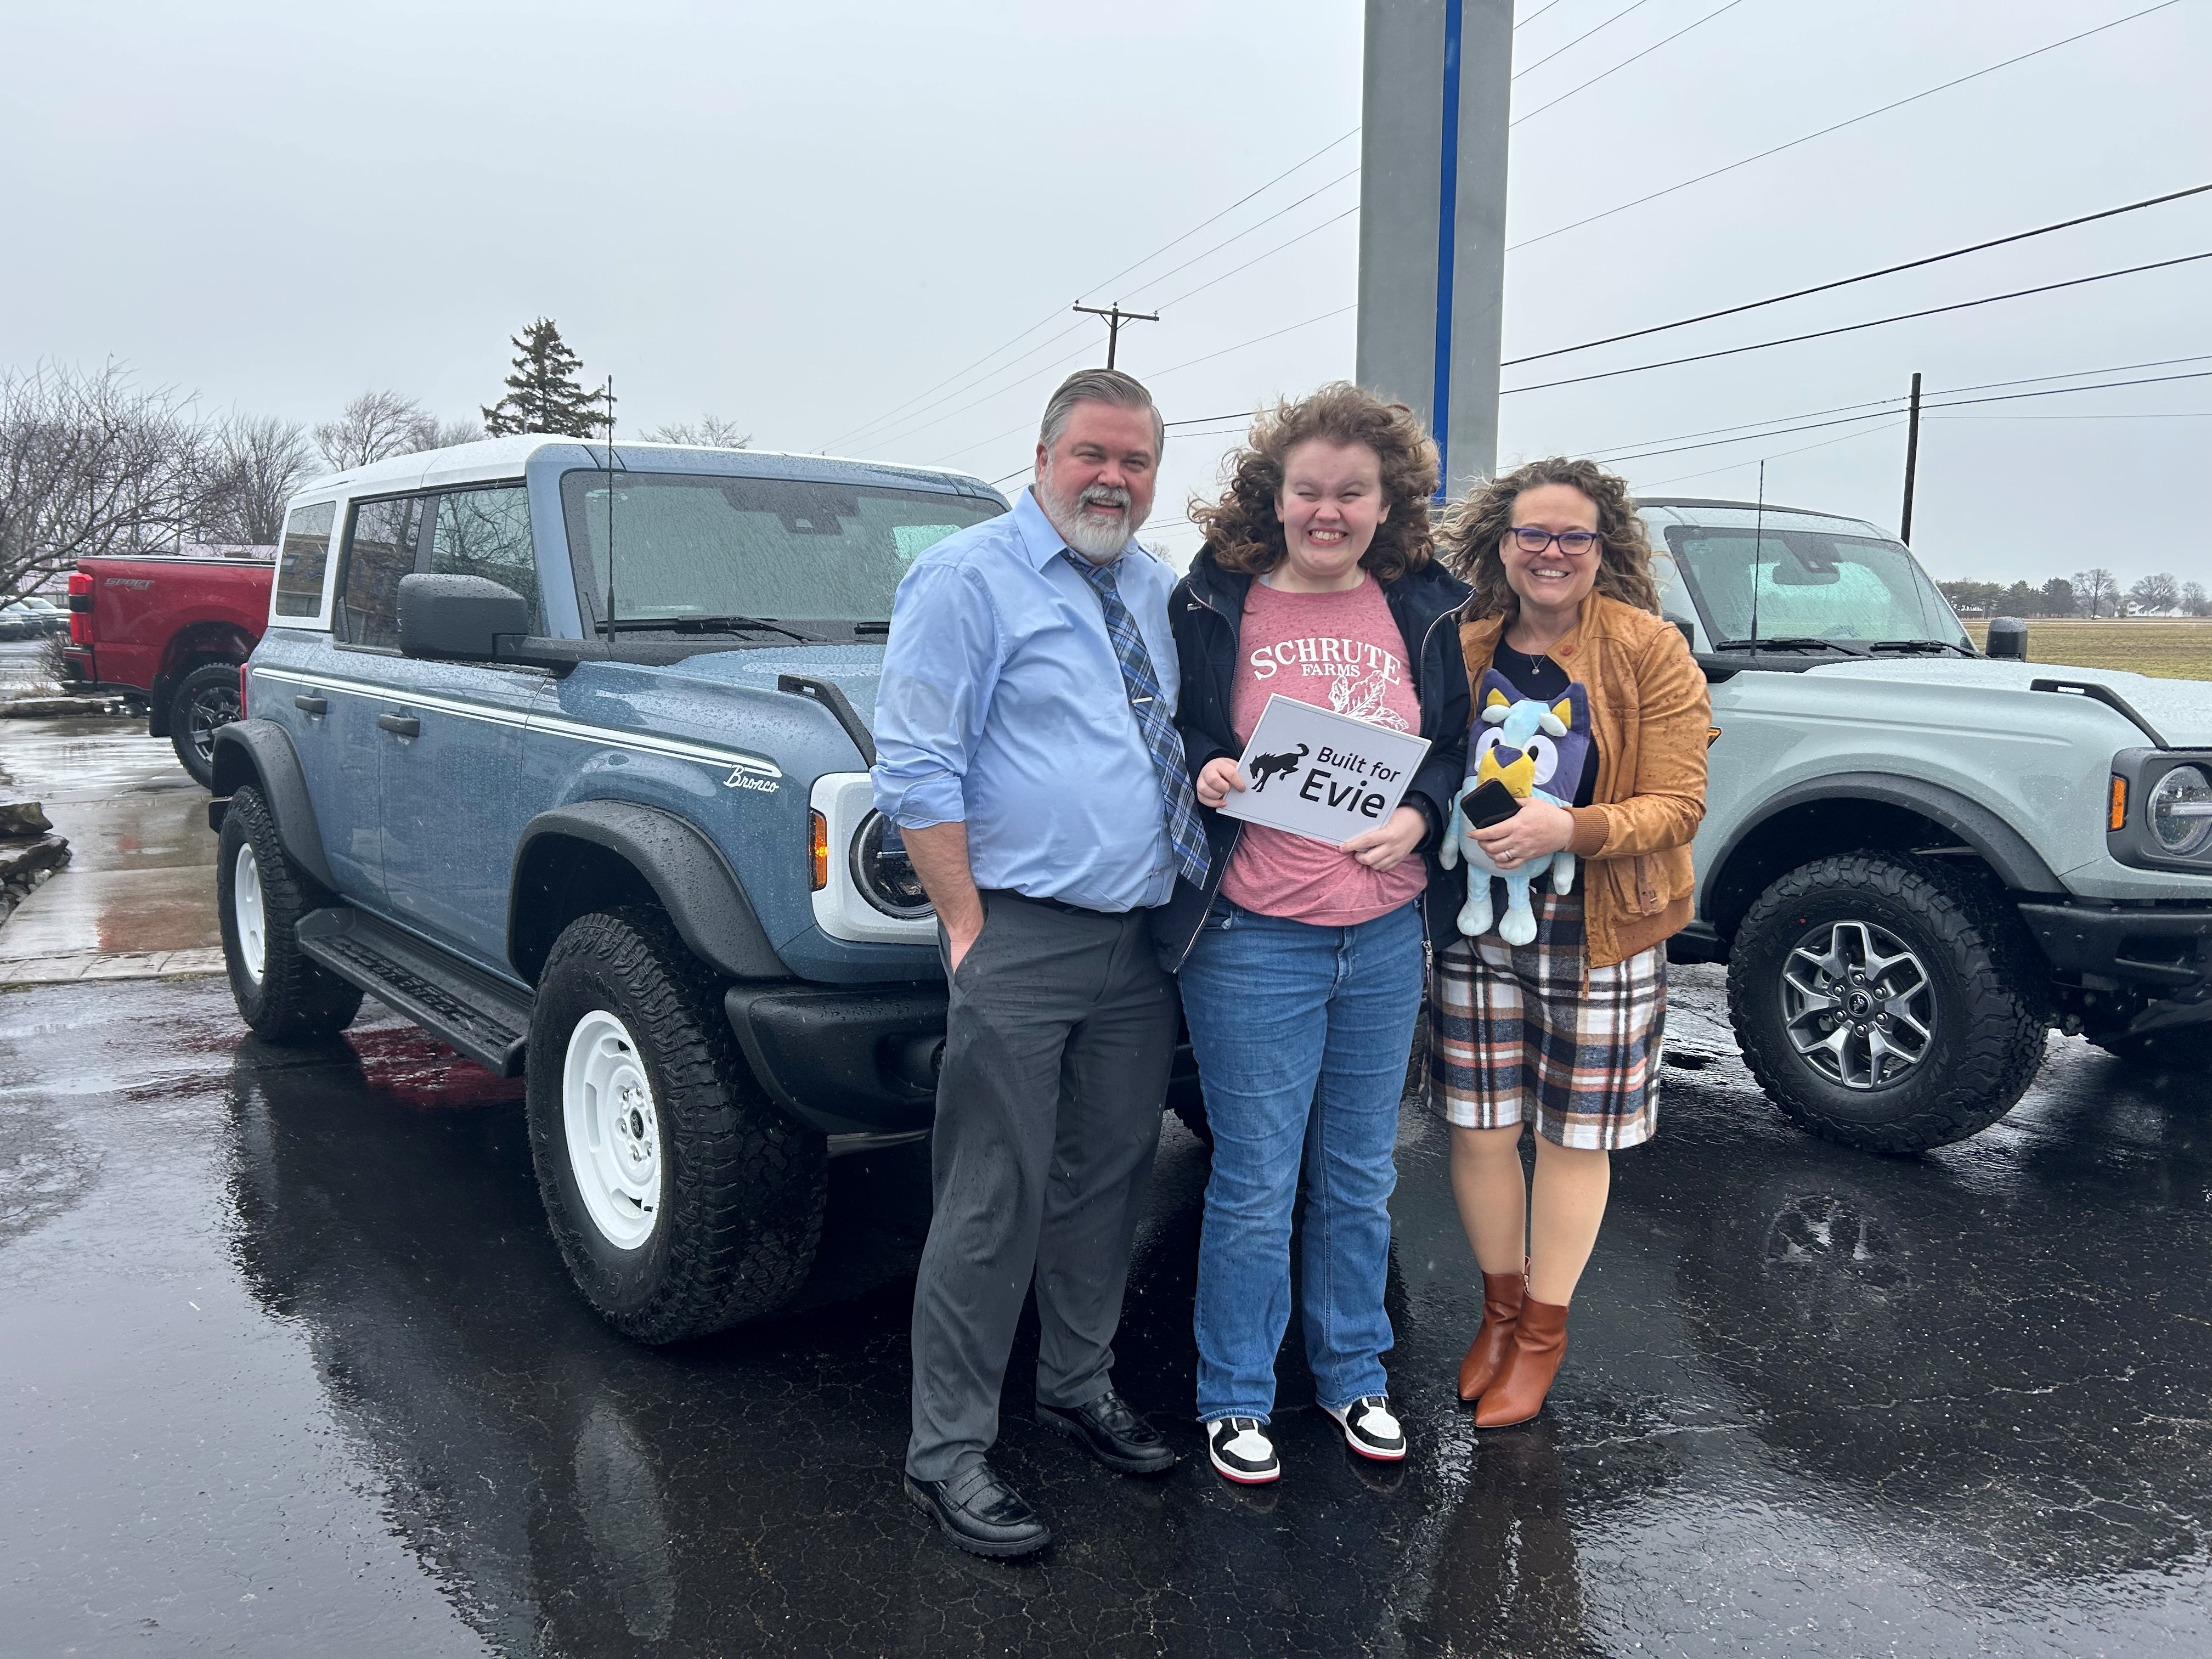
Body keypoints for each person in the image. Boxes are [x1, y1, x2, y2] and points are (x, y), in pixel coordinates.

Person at [872, 368, 1200, 1559]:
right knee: (991, 1196)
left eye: (1136, 462)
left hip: (1137, 942)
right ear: (1046, 454)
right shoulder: (968, 578)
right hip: (1017, 932)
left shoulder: (1157, 589)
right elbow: (918, 764)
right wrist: (966, 924)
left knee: (1108, 1178)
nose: (1114, 479)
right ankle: (948, 1453)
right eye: (1093, 456)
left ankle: (1078, 1386)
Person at [1155, 383, 1471, 1485]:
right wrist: (1207, 764)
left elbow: (1453, 746)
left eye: (1352, 494)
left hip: (1382, 935)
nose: (1328, 512)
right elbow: (1185, 725)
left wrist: (1425, 813)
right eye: (1308, 492)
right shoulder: (1215, 601)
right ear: (1274, 497)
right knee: (1254, 1175)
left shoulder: (1424, 606)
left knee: (1357, 1171)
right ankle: (1236, 1394)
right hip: (1254, 936)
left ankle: (1354, 1376)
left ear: (1389, 505)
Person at [1429, 456, 1709, 1428]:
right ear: (1500, 546)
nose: (1550, 553)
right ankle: (1498, 1312)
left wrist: (1569, 831)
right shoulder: (1462, 647)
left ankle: (1542, 1333)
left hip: (1602, 924)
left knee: (1573, 1135)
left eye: (1572, 536)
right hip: (1475, 918)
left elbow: (1679, 805)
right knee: (1476, 1125)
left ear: (1604, 548)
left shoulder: (1649, 649)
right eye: (1531, 535)